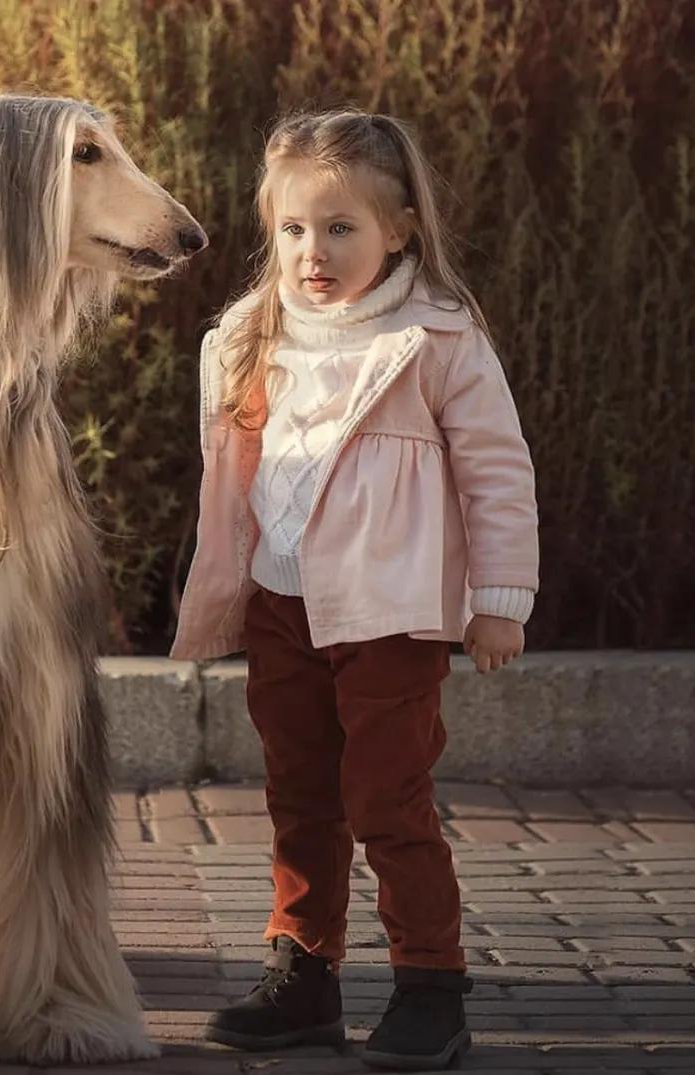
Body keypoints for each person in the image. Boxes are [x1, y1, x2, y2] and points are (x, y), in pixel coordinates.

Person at [170, 108, 539, 1070]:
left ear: (400, 230)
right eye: (294, 229)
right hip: (281, 604)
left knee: (387, 797)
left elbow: (498, 468)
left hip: (389, 613)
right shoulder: (254, 335)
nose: (314, 253)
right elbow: (236, 475)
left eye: (341, 229)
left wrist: (499, 597)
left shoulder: (436, 337)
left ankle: (430, 983)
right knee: (299, 792)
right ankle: (304, 975)